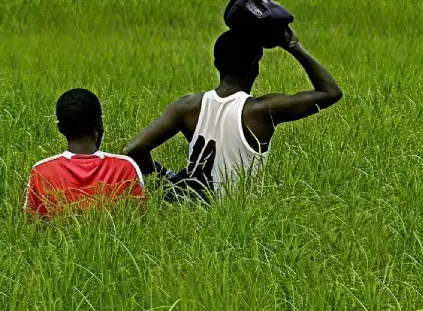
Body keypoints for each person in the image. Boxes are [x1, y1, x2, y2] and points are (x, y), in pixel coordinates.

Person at [123, 26, 341, 198]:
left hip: (191, 213)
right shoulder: (261, 111)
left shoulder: (187, 107)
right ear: (255, 66)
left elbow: (134, 149)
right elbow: (330, 92)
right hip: (241, 219)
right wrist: (294, 46)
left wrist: (169, 182)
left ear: (217, 63)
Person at [24, 88, 145, 217]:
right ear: (99, 123)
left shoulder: (42, 172)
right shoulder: (125, 167)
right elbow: (139, 218)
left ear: (60, 128)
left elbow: (33, 224)